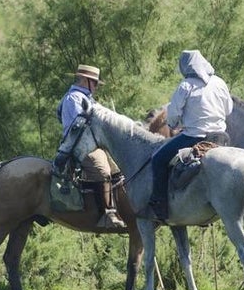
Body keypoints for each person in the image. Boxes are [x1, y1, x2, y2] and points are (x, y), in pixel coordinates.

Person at [145, 50, 233, 221]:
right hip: (221, 136)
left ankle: (160, 205)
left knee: (158, 159)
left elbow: (172, 115)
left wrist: (173, 125)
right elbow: (229, 109)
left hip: (195, 136)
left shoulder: (186, 86)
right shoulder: (219, 82)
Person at [58, 63, 125, 230]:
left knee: (117, 168)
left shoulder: (87, 99)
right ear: (86, 80)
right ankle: (106, 214)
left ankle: (119, 209)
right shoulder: (73, 98)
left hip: (93, 143)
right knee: (102, 171)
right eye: (94, 83)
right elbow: (78, 126)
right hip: (79, 144)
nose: (96, 87)